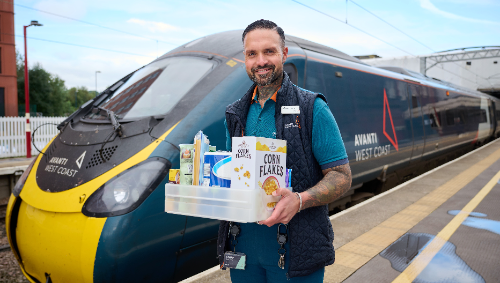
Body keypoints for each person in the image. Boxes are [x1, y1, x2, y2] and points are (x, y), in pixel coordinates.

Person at [217, 19, 352, 282]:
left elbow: (341, 176)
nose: (261, 61)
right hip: (242, 247)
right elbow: (232, 175)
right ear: (245, 58)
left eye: (269, 51)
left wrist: (300, 200)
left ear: (284, 54)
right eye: (252, 54)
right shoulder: (234, 114)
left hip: (295, 251)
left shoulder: (313, 108)